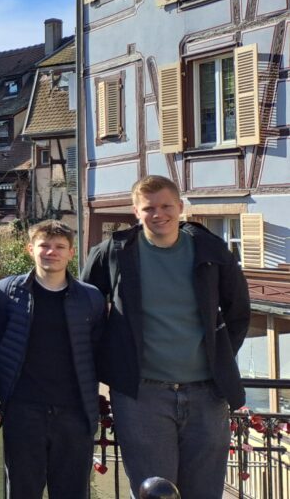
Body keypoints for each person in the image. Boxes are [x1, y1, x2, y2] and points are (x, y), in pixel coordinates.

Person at [81, 175, 250, 499]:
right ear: (136, 211)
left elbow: (238, 312)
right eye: (149, 208)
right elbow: (85, 310)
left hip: (207, 394)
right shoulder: (114, 252)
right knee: (154, 492)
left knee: (204, 493)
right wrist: (113, 360)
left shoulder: (211, 251)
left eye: (166, 206)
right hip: (141, 396)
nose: (158, 214)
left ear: (180, 207)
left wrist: (219, 355)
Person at [0, 220, 105, 499]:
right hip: (23, 410)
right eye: (44, 245)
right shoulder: (8, 292)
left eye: (59, 247)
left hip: (75, 411)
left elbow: (97, 351)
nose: (51, 252)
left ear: (71, 253)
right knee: (22, 491)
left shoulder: (90, 297)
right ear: (30, 249)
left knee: (72, 492)